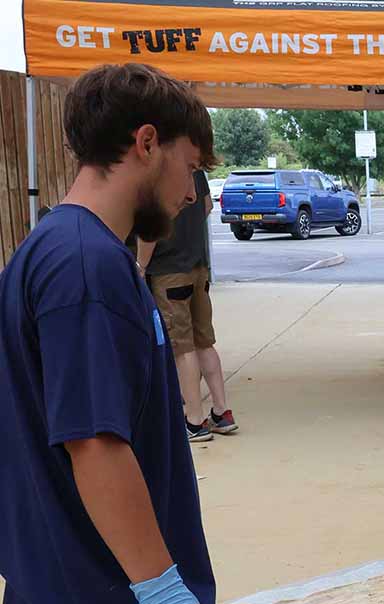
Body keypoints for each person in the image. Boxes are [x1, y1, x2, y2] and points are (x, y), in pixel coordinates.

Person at [0, 63, 217, 604]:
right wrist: (162, 588)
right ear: (146, 142)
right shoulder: (86, 266)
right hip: (101, 585)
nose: (193, 193)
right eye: (189, 167)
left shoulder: (52, 248)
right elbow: (94, 442)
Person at [137, 169, 236, 442]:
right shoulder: (196, 171)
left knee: (182, 348)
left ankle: (194, 420)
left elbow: (149, 232)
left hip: (168, 271)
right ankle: (222, 412)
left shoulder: (157, 173)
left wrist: (140, 266)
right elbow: (206, 205)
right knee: (204, 341)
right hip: (198, 267)